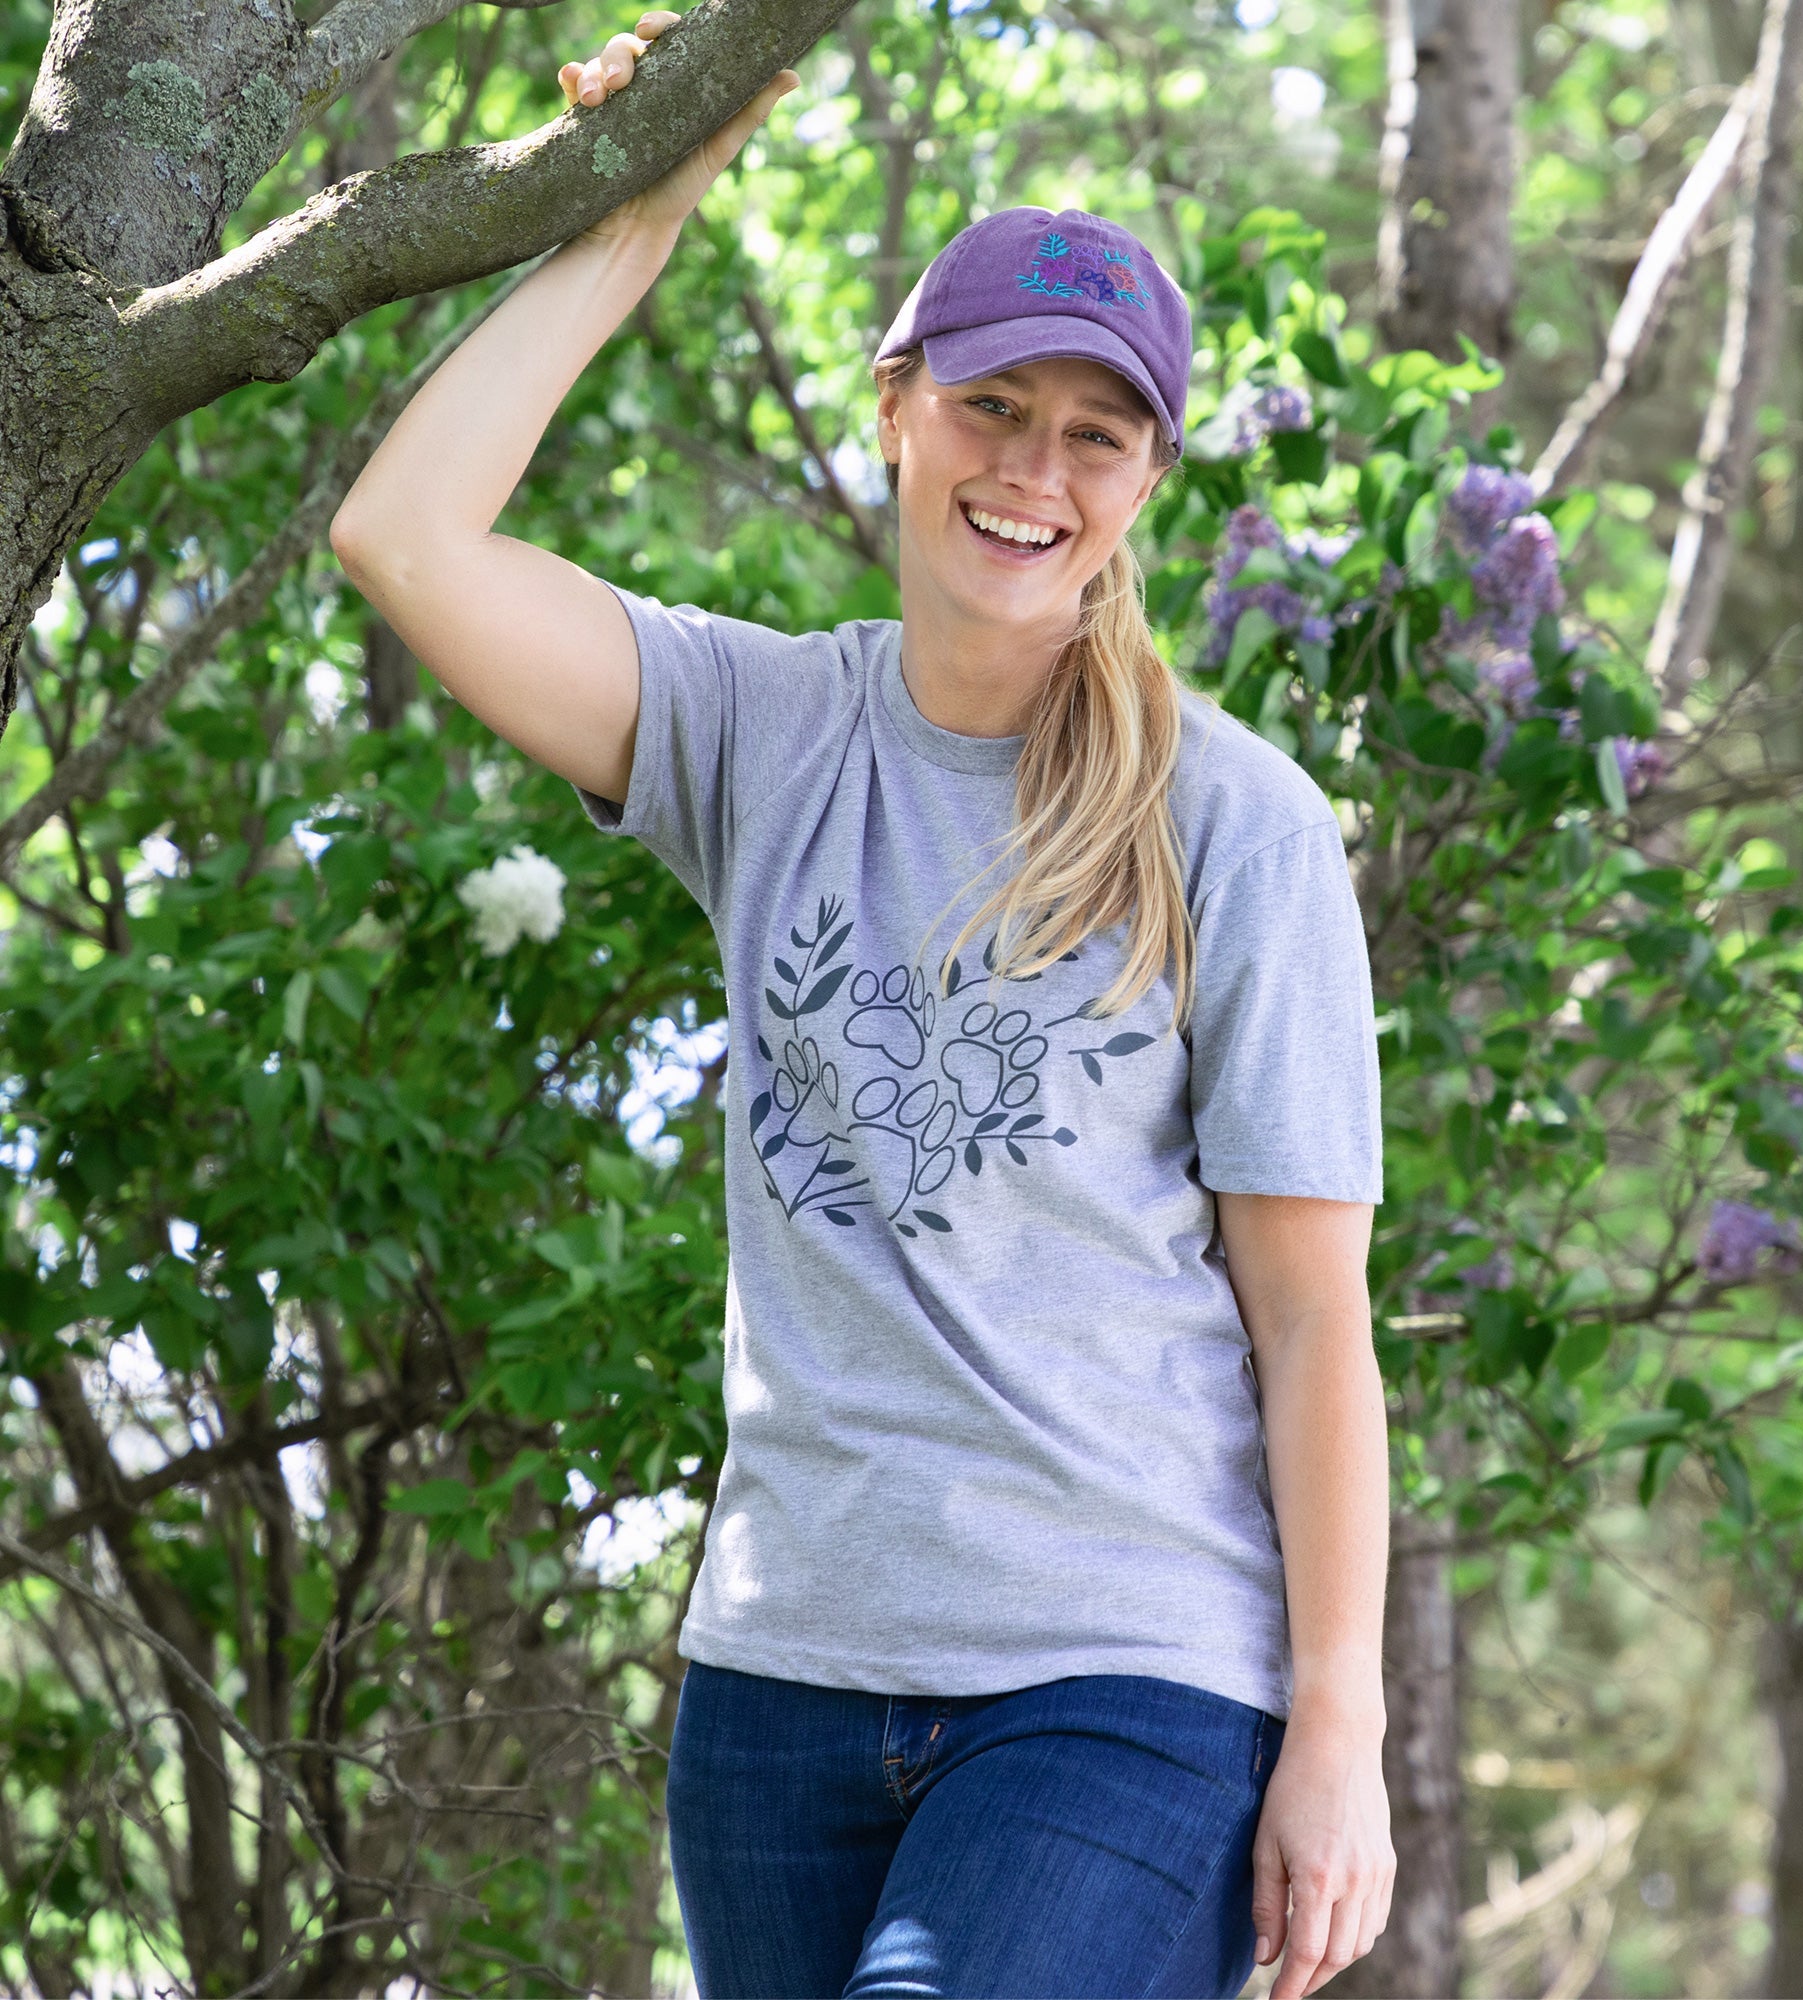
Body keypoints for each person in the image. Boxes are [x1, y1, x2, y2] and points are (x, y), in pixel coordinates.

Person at [329, 14, 1394, 1997]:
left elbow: (1311, 1314)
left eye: (1097, 433)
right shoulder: (759, 726)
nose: (1035, 473)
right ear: (897, 412)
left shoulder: (1229, 822)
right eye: (994, 407)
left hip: (1122, 1674)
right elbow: (404, 538)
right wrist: (643, 195)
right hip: (779, 1681)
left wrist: (1339, 1730)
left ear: (1148, 476)